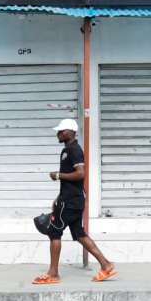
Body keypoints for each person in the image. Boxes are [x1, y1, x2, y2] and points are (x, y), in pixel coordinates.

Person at [32, 118, 117, 284]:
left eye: (61, 131)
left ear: (70, 132)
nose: (59, 133)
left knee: (54, 232)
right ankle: (106, 265)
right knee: (79, 234)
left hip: (70, 202)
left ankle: (53, 274)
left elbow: (80, 174)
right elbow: (73, 182)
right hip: (72, 199)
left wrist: (57, 175)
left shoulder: (74, 150)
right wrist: (58, 198)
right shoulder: (67, 150)